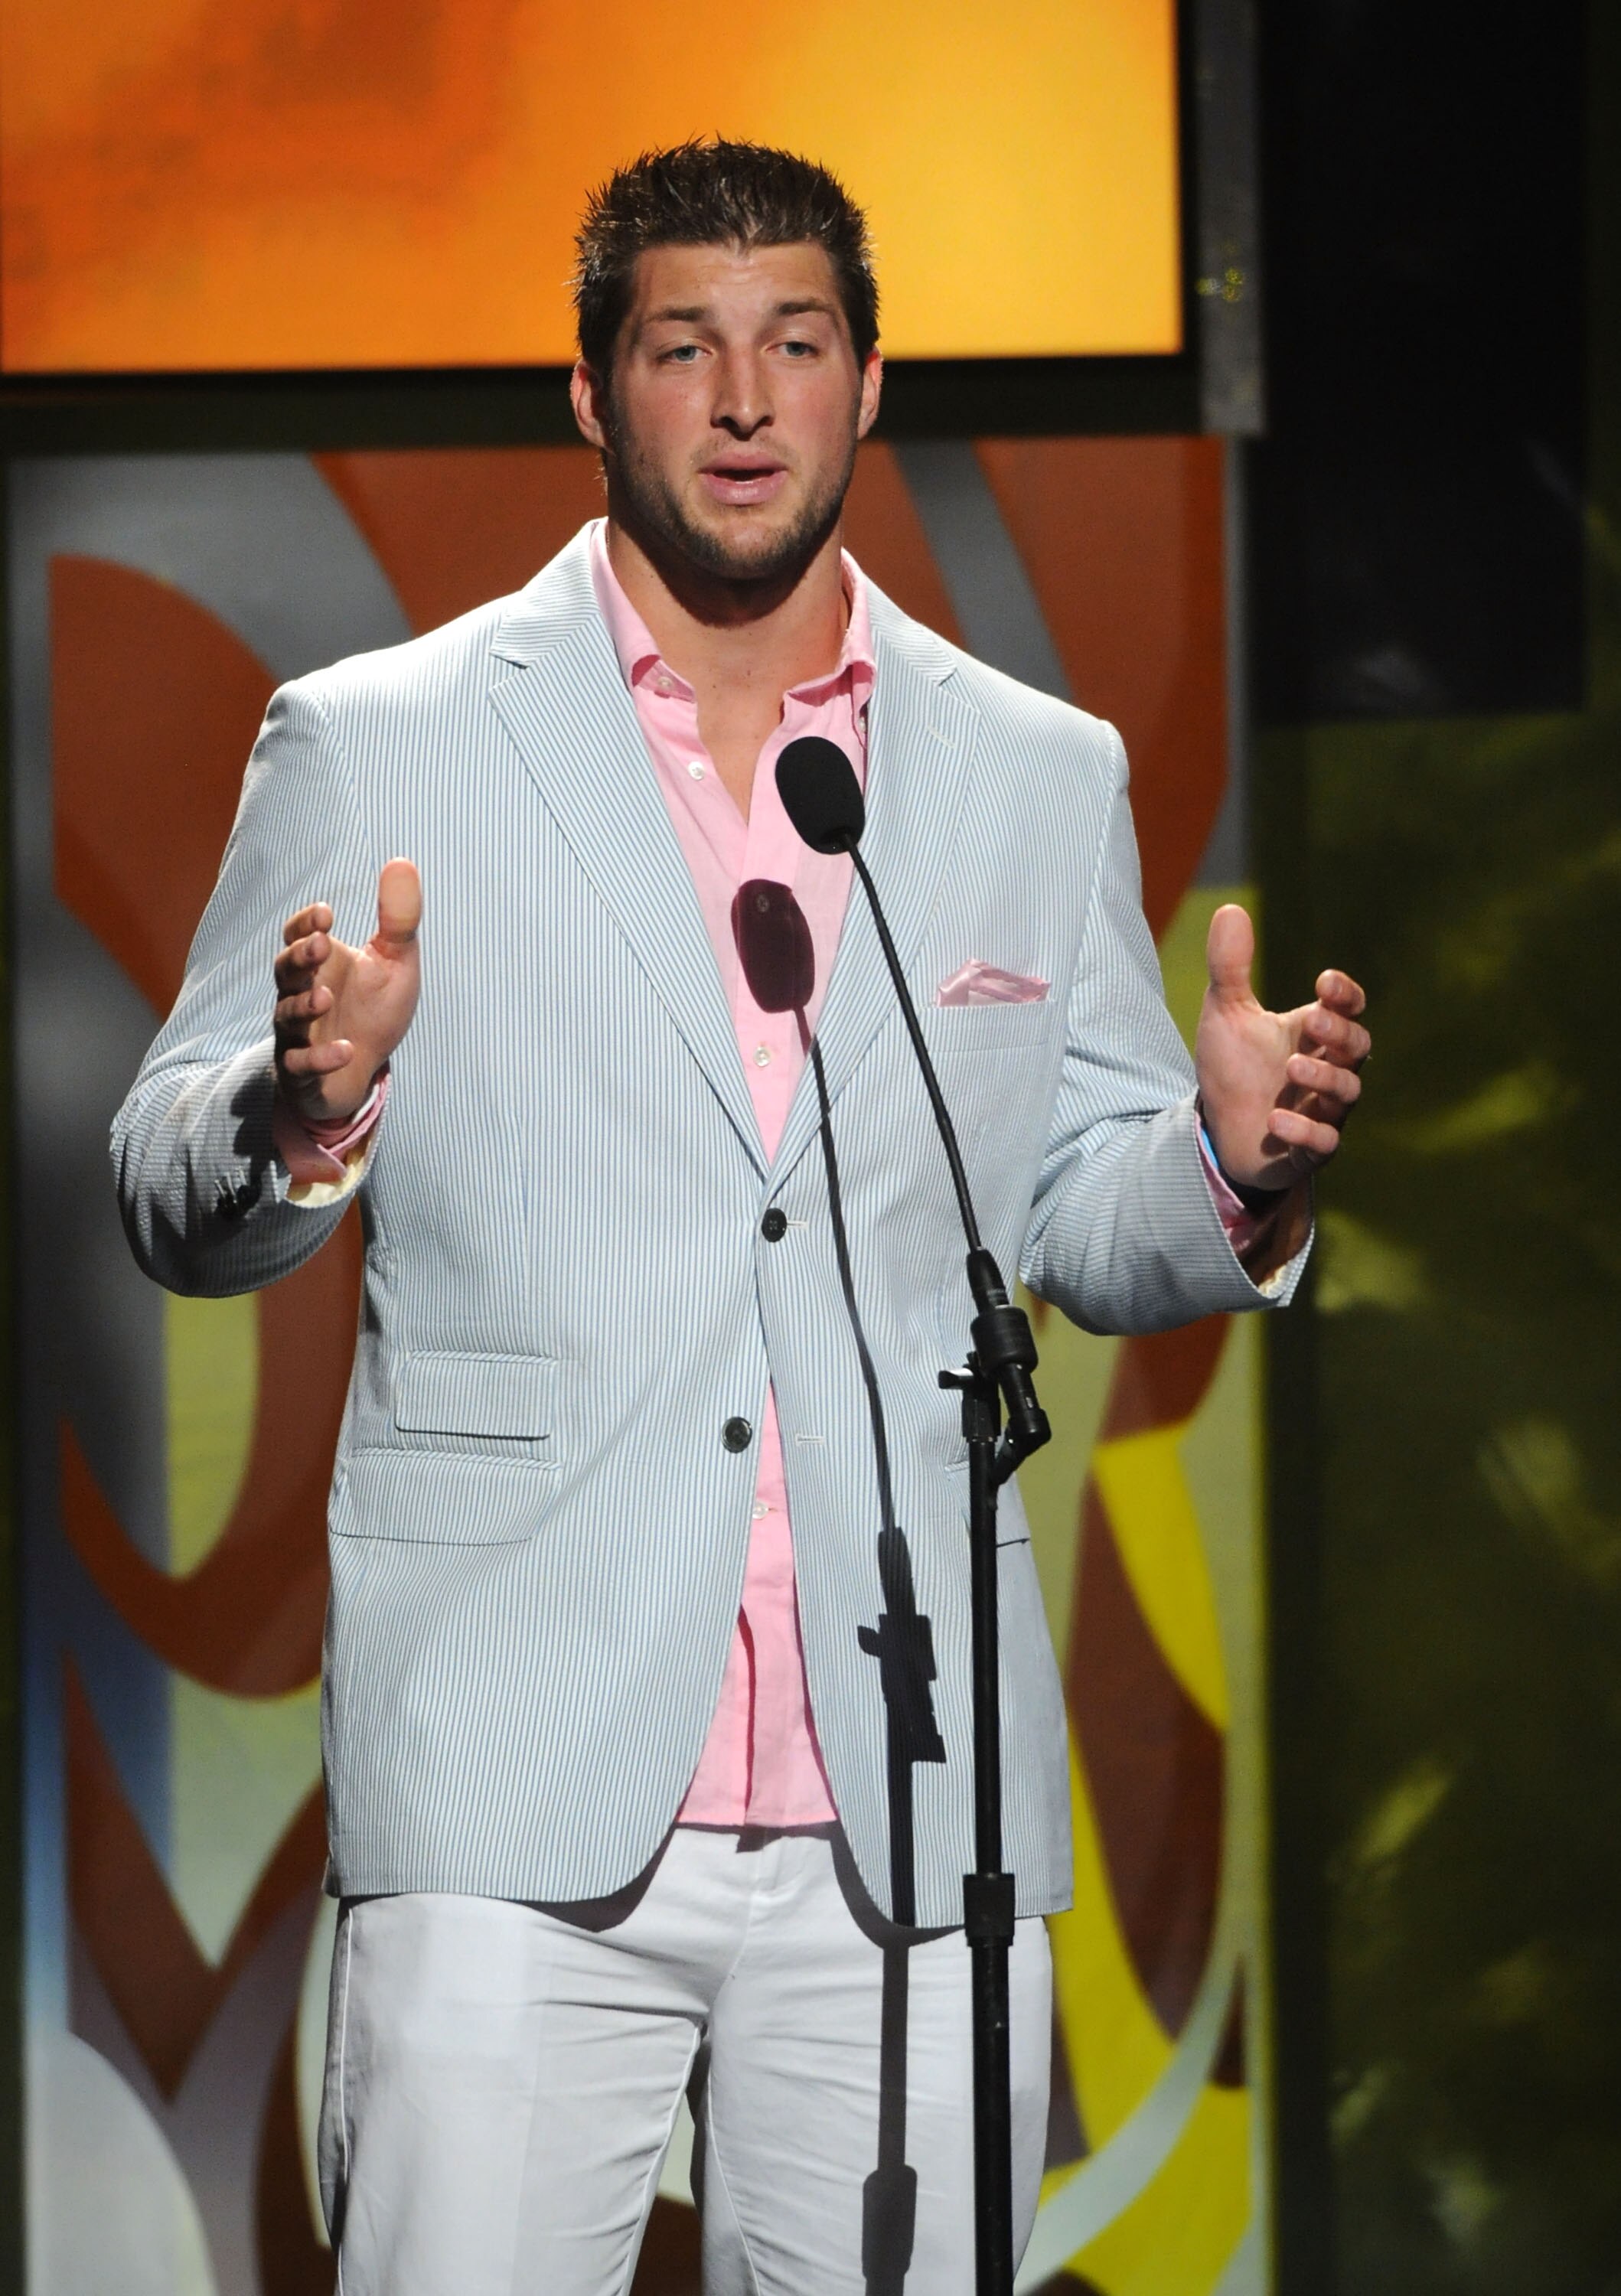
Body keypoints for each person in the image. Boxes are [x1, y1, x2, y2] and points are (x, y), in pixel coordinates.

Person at [113, 141, 1368, 2296]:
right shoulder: (380, 740)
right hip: (510, 1778)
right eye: (684, 348)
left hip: (914, 1796)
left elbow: (1080, 1217)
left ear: (869, 381)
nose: (746, 398)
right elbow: (167, 1176)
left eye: (795, 343)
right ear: (592, 394)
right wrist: (306, 1105)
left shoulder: (1031, 771)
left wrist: (1227, 1172)